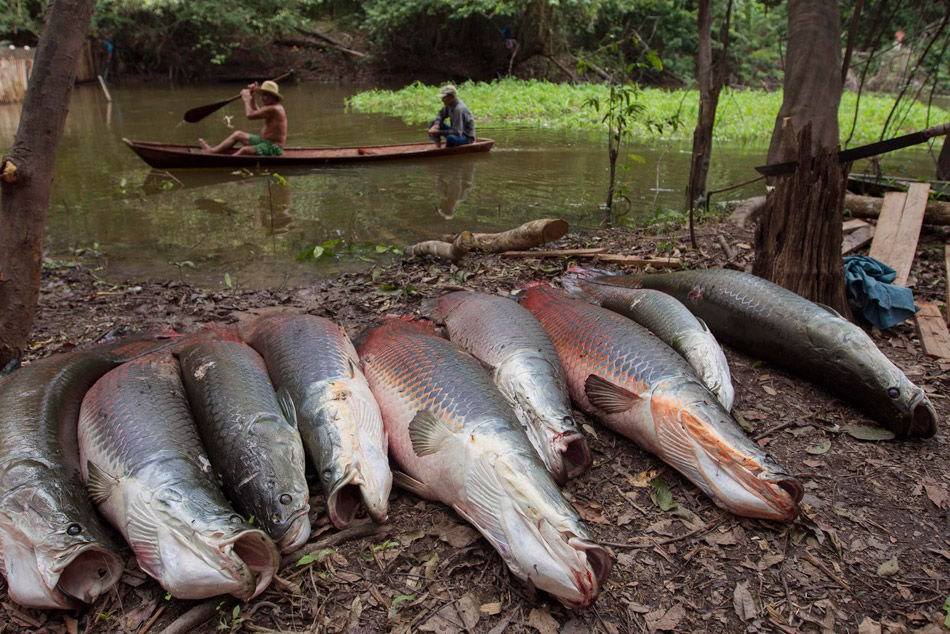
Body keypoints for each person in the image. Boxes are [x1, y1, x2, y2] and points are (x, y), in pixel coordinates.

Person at [200, 80, 287, 156]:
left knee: (244, 150)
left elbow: (250, 115)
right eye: (262, 95)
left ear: (274, 97)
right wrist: (252, 96)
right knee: (238, 134)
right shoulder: (271, 107)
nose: (262, 98)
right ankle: (212, 151)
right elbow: (256, 111)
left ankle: (226, 162)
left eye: (266, 95)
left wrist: (246, 99)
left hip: (274, 147)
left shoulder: (274, 109)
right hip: (263, 141)